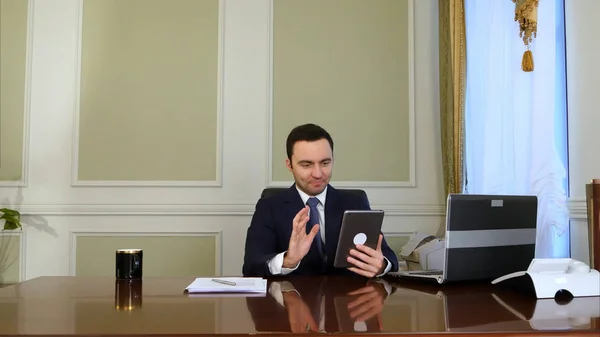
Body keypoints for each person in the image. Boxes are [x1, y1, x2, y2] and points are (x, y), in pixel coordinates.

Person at [242, 123, 399, 277]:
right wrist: (288, 260)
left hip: (348, 300)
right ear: (289, 165)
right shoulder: (269, 207)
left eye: (325, 163)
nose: (318, 173)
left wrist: (381, 265)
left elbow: (389, 259)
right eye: (306, 165)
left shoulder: (355, 202)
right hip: (291, 299)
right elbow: (251, 266)